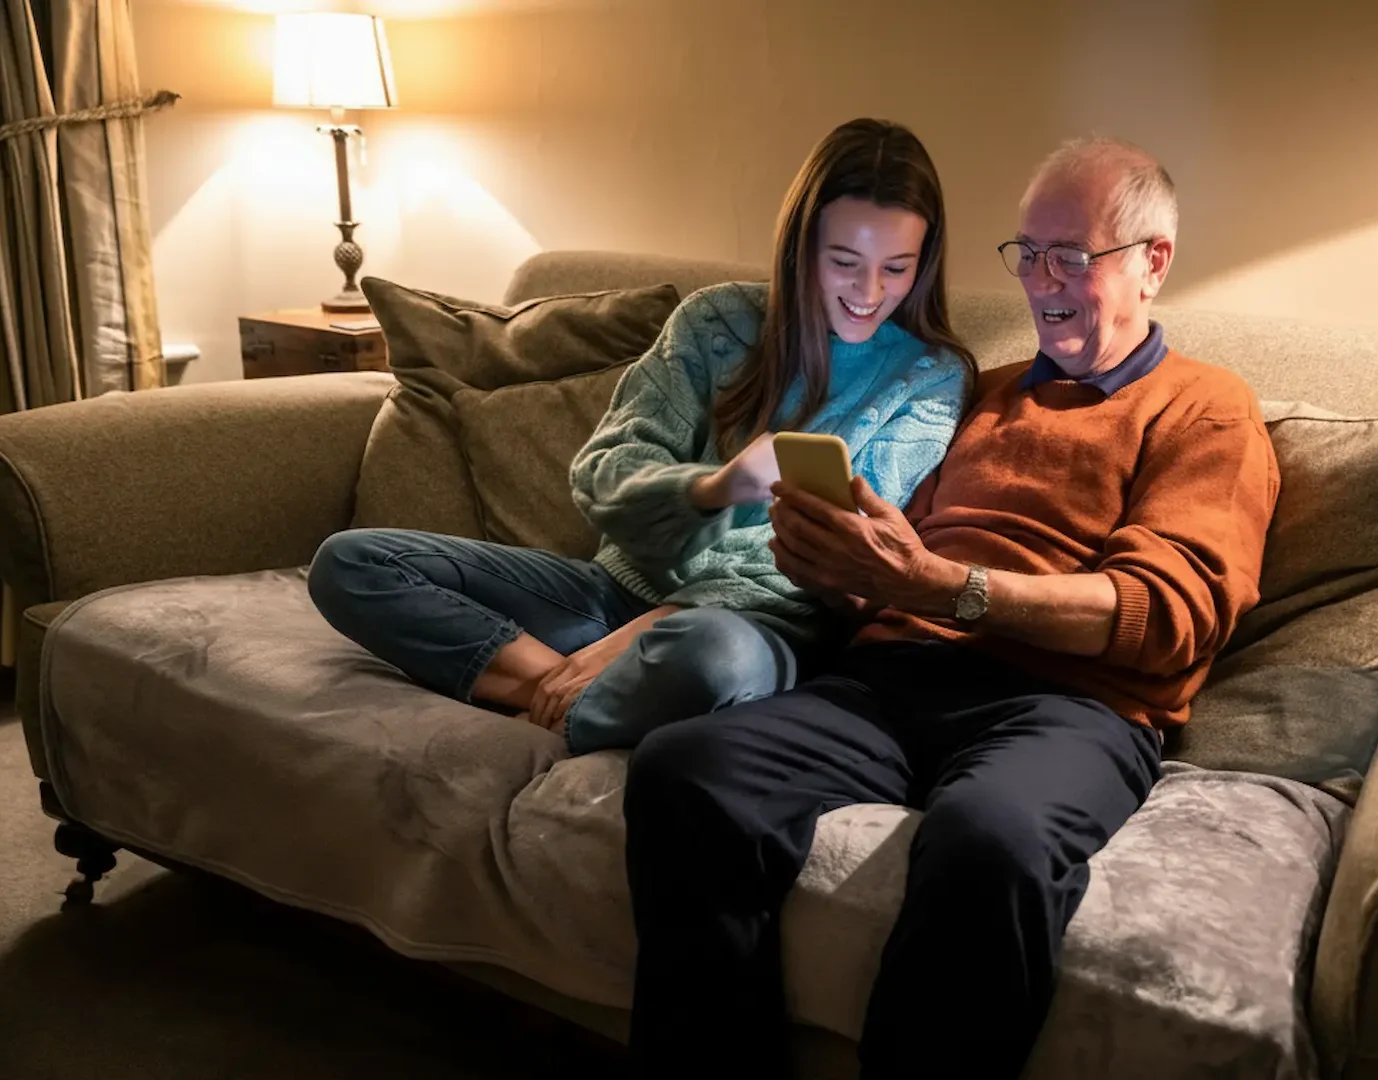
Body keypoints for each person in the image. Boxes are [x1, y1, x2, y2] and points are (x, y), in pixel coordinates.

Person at [621, 137, 1281, 1079]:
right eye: (1027, 252)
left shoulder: (1205, 407)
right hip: (894, 676)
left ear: (1152, 262)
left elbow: (1168, 613)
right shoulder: (982, 393)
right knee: (685, 768)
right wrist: (836, 566)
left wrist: (944, 587)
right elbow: (894, 571)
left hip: (1072, 706)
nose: (1041, 281)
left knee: (990, 840)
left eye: (1071, 256)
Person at [306, 118, 974, 756]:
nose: (868, 291)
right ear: (801, 247)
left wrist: (644, 634)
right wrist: (714, 490)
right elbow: (605, 473)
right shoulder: (716, 322)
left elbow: (844, 561)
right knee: (352, 563)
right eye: (844, 261)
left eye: (896, 268)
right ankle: (556, 693)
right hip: (611, 592)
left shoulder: (929, 376)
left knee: (712, 661)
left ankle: (553, 700)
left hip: (754, 626)